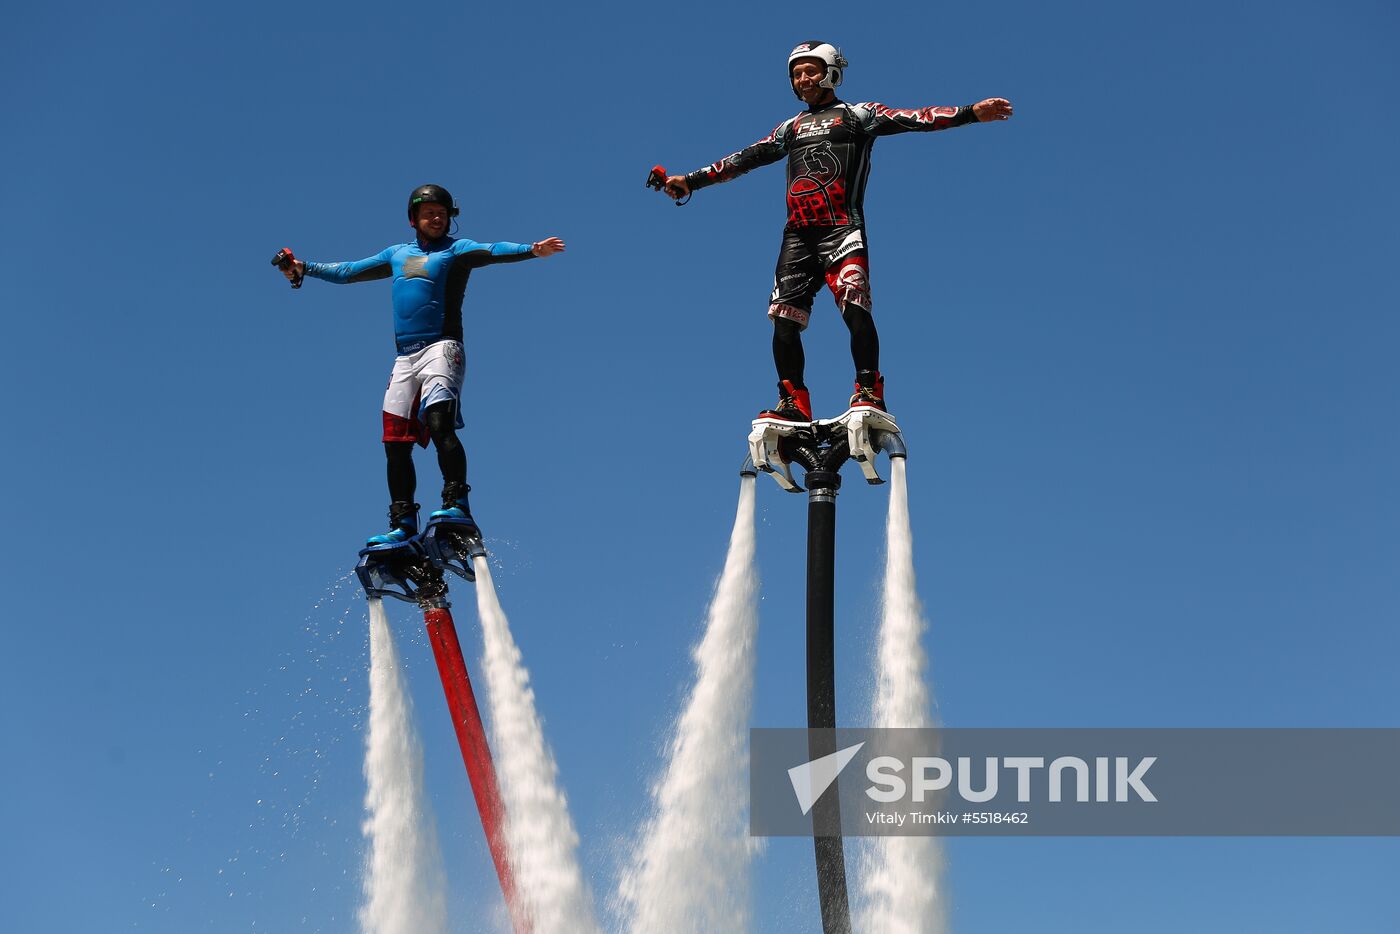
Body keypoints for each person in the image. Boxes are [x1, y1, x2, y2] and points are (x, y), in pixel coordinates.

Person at [661, 41, 1012, 422]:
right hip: (798, 236)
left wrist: (970, 113)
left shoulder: (859, 115)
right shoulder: (790, 128)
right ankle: (793, 401)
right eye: (796, 73)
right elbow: (745, 158)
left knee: (854, 308)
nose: (802, 79)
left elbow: (917, 118)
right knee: (783, 320)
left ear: (832, 72)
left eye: (810, 70)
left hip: (842, 230)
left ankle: (868, 389)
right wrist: (691, 181)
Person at [277, 184, 565, 545]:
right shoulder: (397, 254)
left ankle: (457, 502)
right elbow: (349, 271)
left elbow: (492, 250)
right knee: (394, 443)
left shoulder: (456, 250)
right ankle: (403, 522)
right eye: (429, 213)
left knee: (439, 422)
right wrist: (305, 268)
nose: (436, 218)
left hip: (442, 348)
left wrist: (531, 250)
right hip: (405, 358)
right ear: (413, 219)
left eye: (442, 213)